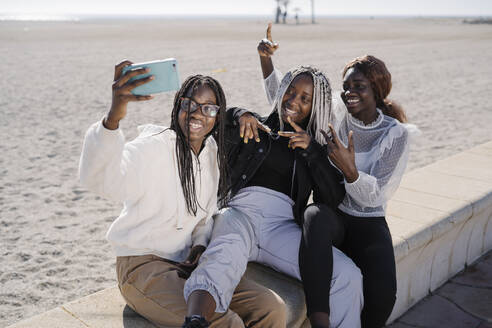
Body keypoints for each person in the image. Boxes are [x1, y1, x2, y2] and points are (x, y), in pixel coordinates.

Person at [79, 60, 287, 327]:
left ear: (217, 114)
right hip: (143, 267)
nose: (197, 114)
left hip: (188, 264)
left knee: (272, 308)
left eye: (208, 108)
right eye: (188, 104)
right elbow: (102, 180)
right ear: (178, 106)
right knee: (226, 323)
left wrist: (200, 244)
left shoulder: (211, 152)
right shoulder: (154, 146)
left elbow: (204, 216)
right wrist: (113, 118)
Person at [181, 46, 364, 327]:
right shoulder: (253, 126)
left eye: (305, 98)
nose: (294, 100)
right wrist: (238, 114)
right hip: (239, 213)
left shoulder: (315, 148)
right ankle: (195, 320)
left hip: (281, 227)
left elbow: (332, 198)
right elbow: (213, 119)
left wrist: (313, 153)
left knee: (348, 274)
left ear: (314, 107)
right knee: (223, 255)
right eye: (291, 91)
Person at [258, 24, 419, 328]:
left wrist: (351, 170)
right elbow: (286, 102)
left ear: (377, 90)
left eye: (359, 86)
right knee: (314, 215)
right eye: (346, 86)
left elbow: (378, 195)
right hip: (335, 215)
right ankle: (320, 319)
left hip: (369, 224)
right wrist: (266, 60)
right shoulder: (334, 120)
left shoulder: (395, 134)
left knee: (383, 298)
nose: (350, 93)